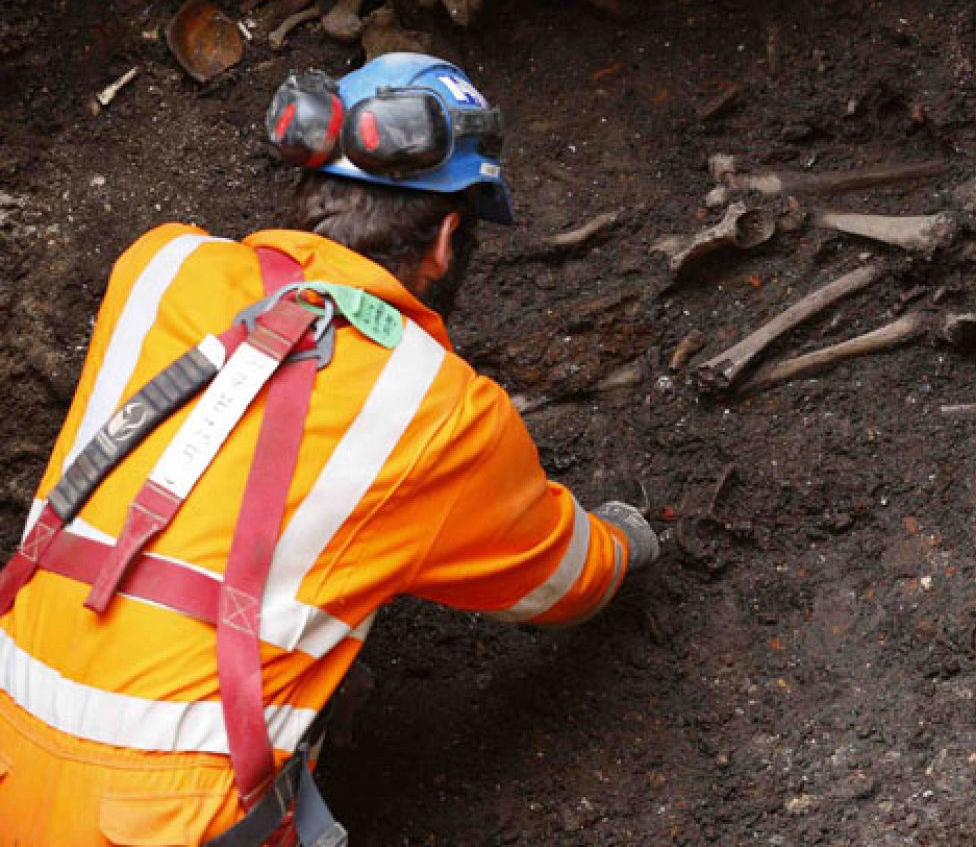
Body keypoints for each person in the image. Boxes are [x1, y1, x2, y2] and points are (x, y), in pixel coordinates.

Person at [0, 53, 659, 845]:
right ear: (449, 237)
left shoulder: (158, 265)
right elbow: (561, 582)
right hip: (159, 823)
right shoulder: (440, 409)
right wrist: (628, 540)